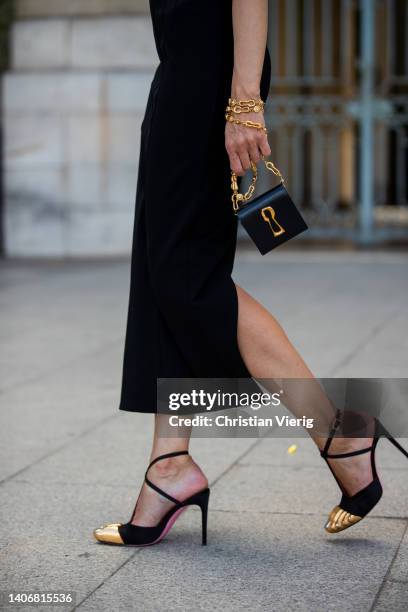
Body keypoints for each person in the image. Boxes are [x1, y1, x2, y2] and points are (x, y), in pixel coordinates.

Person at [94, 0, 407, 546]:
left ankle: (340, 434)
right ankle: (169, 466)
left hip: (209, 80)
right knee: (161, 273)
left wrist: (243, 104)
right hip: (182, 74)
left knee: (188, 278)